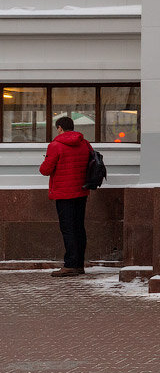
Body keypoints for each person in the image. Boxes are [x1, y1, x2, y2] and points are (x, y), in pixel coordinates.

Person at [39, 116, 93, 277]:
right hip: (81, 191)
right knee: (78, 227)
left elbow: (45, 170)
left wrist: (47, 160)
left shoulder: (55, 145)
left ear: (60, 128)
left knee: (68, 228)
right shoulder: (85, 143)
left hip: (64, 193)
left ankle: (70, 265)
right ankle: (79, 264)